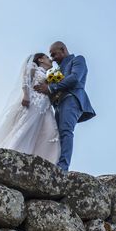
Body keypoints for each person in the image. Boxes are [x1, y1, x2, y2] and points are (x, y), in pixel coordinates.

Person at [33, 41, 95, 171]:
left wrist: (51, 88)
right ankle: (54, 161)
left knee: (66, 131)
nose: (53, 59)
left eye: (54, 54)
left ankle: (63, 167)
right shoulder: (55, 70)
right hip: (58, 105)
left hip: (71, 99)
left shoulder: (78, 60)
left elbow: (75, 78)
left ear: (63, 49)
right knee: (55, 134)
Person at [0, 53, 60, 164]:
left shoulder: (48, 76)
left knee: (51, 132)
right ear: (40, 59)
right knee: (26, 128)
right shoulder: (34, 67)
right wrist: (26, 95)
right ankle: (9, 156)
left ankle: (45, 160)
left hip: (45, 107)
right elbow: (26, 79)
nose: (50, 59)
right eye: (47, 57)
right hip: (34, 103)